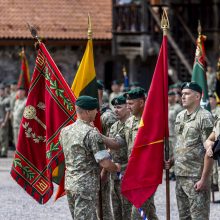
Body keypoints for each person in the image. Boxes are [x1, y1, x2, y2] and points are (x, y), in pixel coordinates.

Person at [59, 95, 121, 220]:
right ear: (87, 111)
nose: (97, 112)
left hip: (70, 184)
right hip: (85, 187)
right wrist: (116, 168)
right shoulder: (92, 134)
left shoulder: (65, 131)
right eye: (94, 110)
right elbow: (104, 163)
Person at [102, 87, 159, 220]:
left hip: (146, 175)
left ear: (141, 102)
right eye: (127, 104)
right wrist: (99, 136)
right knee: (148, 212)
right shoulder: (129, 122)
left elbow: (158, 147)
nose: (128, 107)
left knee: (136, 214)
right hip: (133, 173)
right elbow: (117, 143)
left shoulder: (151, 121)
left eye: (131, 104)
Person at [166, 82, 214, 220]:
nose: (183, 97)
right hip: (180, 176)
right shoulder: (180, 116)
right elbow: (182, 144)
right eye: (182, 94)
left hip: (196, 177)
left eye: (187, 94)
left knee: (199, 217)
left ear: (197, 96)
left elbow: (210, 151)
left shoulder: (204, 117)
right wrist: (173, 161)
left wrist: (204, 179)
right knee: (184, 217)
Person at [109, 95, 132, 220]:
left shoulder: (132, 125)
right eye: (114, 107)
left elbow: (116, 144)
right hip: (115, 173)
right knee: (117, 210)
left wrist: (98, 136)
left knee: (128, 211)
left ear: (128, 107)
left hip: (128, 173)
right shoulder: (114, 126)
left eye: (119, 107)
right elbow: (110, 149)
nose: (116, 110)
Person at [168, 90, 183, 180]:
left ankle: (175, 172)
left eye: (171, 96)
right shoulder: (167, 106)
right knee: (168, 153)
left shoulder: (178, 108)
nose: (169, 98)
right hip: (167, 134)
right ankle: (170, 171)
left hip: (175, 134)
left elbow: (181, 122)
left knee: (175, 153)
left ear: (174, 97)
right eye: (168, 96)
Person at [0, 84, 10, 157]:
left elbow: (8, 112)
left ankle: (4, 152)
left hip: (3, 121)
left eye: (1, 90)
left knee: (4, 137)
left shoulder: (7, 100)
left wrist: (5, 122)